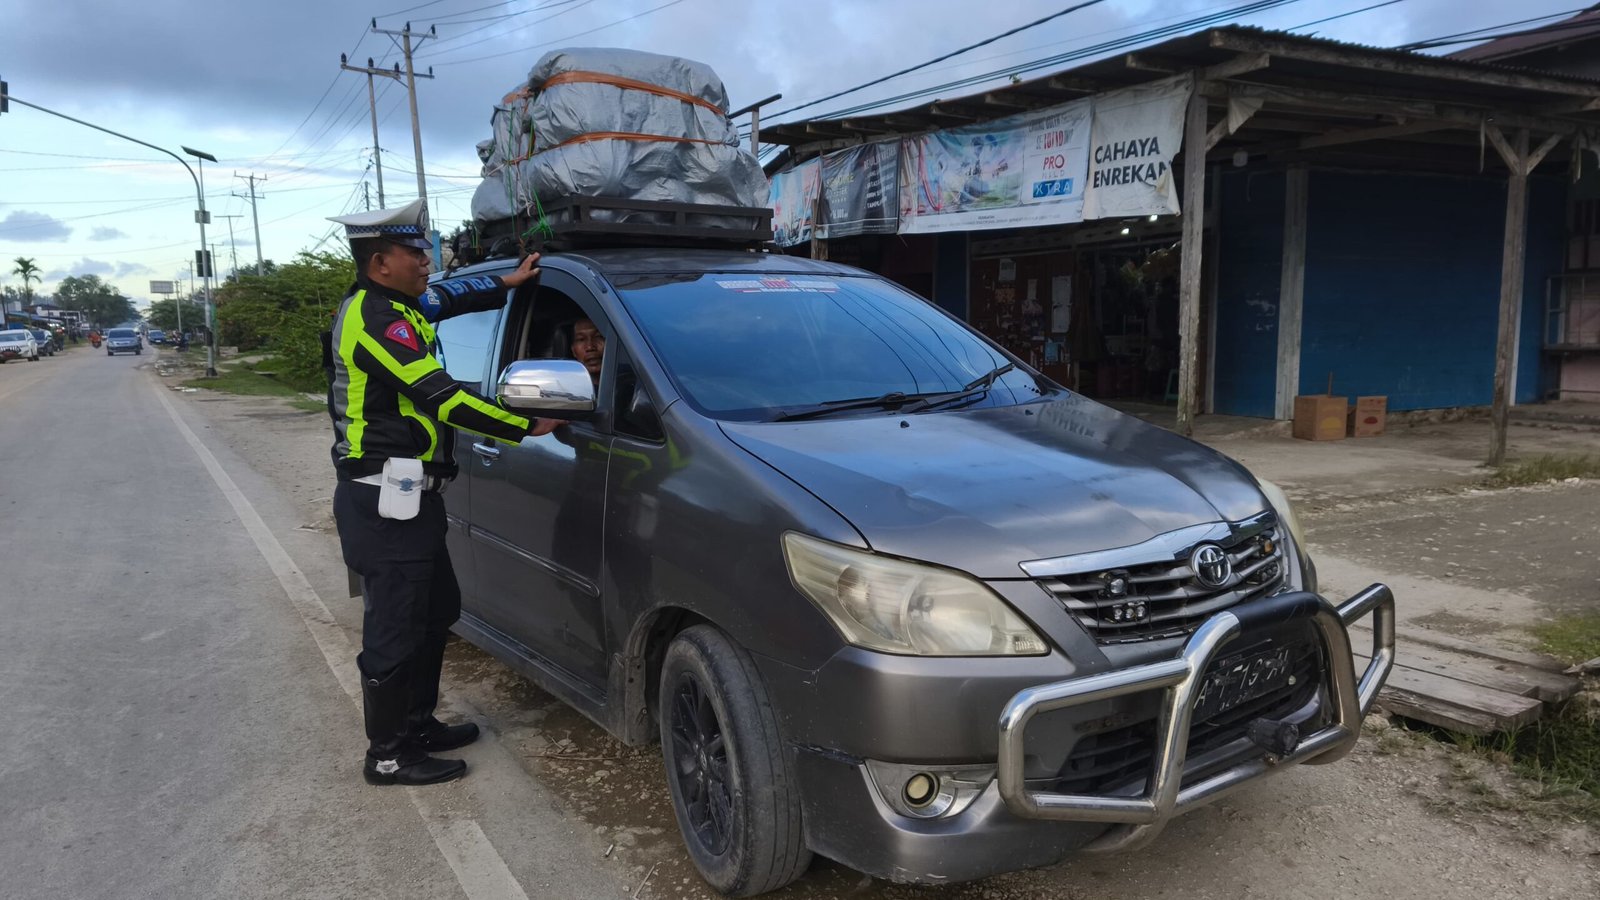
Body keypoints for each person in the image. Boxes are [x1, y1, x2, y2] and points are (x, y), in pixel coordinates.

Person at [324, 199, 563, 787]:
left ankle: (417, 725)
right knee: (395, 629)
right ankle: (388, 755)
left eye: (426, 252)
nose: (428, 262)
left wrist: (506, 283)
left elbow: (451, 297)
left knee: (435, 613)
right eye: (416, 254)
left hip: (415, 498)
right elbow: (443, 397)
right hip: (381, 502)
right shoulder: (373, 320)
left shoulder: (405, 305)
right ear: (380, 263)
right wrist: (524, 425)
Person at [569, 316, 605, 386]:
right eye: (581, 339)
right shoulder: (568, 389)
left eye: (598, 337)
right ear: (573, 350)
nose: (590, 347)